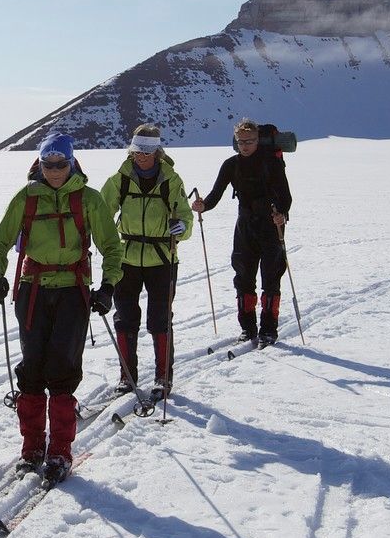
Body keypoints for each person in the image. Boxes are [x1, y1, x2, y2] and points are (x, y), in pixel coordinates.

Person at [0, 132, 123, 483]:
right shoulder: (26, 197)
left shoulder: (89, 199)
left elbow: (111, 246)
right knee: (31, 370)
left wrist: (108, 286)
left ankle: (60, 450)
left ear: (71, 163)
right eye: (48, 165)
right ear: (41, 164)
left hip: (72, 293)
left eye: (61, 165)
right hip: (32, 291)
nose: (55, 171)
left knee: (62, 369)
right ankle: (31, 448)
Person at [99, 123, 192, 399]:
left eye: (146, 152)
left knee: (160, 320)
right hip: (127, 257)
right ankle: (127, 377)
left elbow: (184, 216)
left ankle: (163, 378)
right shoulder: (119, 180)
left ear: (156, 153)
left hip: (162, 258)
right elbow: (101, 213)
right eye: (137, 151)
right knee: (125, 319)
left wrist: (182, 228)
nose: (140, 157)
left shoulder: (171, 181)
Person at [191, 118, 293, 346]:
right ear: (236, 141)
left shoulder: (271, 163)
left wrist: (282, 214)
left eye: (250, 141)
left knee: (271, 278)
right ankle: (248, 328)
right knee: (243, 278)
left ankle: (268, 330)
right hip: (245, 225)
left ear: (257, 140)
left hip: (271, 224)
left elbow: (285, 196)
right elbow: (215, 194)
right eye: (241, 141)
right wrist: (203, 206)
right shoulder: (231, 165)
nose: (245, 146)